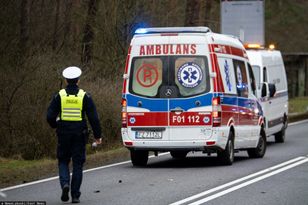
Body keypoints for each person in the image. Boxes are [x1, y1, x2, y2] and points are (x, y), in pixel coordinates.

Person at [47, 66, 102, 203]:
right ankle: (75, 195)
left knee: (63, 161)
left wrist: (56, 125)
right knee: (78, 164)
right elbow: (94, 118)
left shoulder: (59, 96)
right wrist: (97, 136)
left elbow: (49, 116)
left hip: (63, 133)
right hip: (79, 134)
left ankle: (65, 184)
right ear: (78, 80)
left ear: (66, 80)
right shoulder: (85, 96)